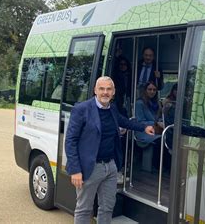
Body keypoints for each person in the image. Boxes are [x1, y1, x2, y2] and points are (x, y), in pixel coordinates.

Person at [65, 76, 154, 224]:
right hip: (90, 168)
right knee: (84, 209)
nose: (105, 92)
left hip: (111, 167)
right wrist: (75, 170)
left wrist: (144, 127)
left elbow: (123, 121)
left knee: (107, 207)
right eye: (101, 89)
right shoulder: (81, 109)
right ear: (95, 90)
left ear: (113, 92)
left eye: (108, 89)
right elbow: (70, 141)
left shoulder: (112, 108)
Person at [162, 83, 177, 152]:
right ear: (173, 90)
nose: (177, 92)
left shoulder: (185, 102)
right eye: (176, 89)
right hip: (170, 132)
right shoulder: (168, 103)